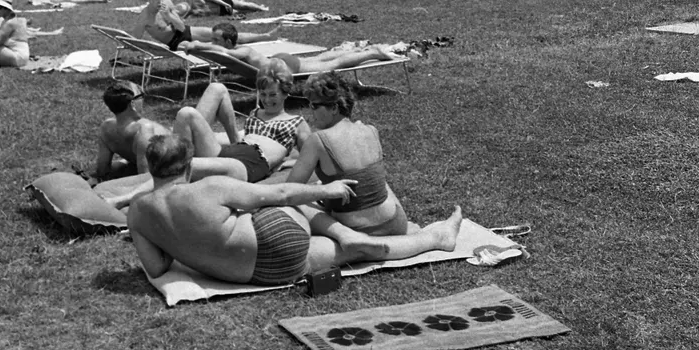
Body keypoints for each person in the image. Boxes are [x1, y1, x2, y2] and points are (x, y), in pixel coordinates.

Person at [127, 135, 463, 285]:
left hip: (259, 273)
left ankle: (435, 238)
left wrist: (178, 240)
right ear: (189, 167)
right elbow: (284, 192)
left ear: (152, 169)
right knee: (280, 196)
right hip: (277, 235)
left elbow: (156, 268)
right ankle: (350, 233)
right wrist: (324, 189)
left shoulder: (138, 213)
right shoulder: (208, 187)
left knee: (357, 254)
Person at [287, 72, 414, 235]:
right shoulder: (371, 130)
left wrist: (319, 191)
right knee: (377, 181)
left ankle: (345, 237)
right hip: (396, 225)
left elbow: (290, 190)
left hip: (356, 230)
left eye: (314, 106)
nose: (310, 112)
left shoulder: (317, 140)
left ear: (334, 107)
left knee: (294, 202)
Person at [171, 62, 309, 182]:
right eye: (263, 94)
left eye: (273, 95)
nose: (267, 100)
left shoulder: (297, 122)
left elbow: (311, 156)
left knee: (177, 164)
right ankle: (175, 162)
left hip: (245, 164)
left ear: (285, 94)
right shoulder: (255, 113)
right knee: (188, 111)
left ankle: (171, 174)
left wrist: (285, 163)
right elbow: (241, 138)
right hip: (229, 151)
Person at [93, 80, 242, 183]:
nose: (144, 98)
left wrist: (125, 162)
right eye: (141, 94)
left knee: (220, 136)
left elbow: (102, 170)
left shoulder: (107, 128)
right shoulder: (144, 131)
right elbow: (146, 178)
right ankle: (239, 143)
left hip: (175, 140)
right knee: (217, 89)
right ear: (132, 104)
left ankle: (239, 138)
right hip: (185, 152)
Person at [183, 21, 407, 75]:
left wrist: (196, 45)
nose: (214, 43)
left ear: (229, 42)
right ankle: (355, 49)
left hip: (284, 66)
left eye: (217, 39)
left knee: (331, 65)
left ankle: (372, 53)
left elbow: (222, 53)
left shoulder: (237, 52)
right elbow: (219, 51)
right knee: (322, 58)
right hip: (280, 62)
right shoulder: (236, 50)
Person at [133, 0, 280, 52]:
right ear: (148, 0)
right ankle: (235, 53)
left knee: (221, 34)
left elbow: (181, 27)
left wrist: (169, 16)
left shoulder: (167, 4)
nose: (159, 0)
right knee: (199, 47)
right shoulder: (144, 18)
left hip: (185, 32)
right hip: (175, 43)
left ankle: (264, 36)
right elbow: (135, 41)